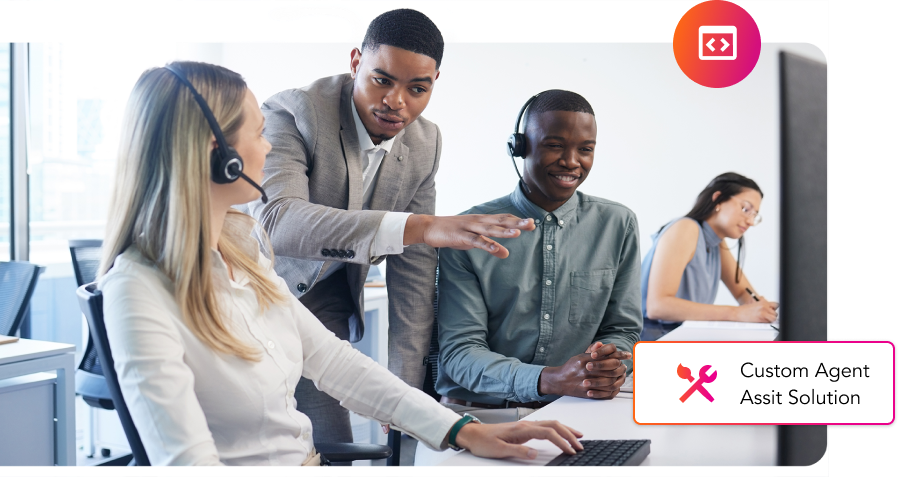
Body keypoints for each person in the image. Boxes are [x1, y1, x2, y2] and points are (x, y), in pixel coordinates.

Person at [97, 61, 581, 467]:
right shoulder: (137, 292)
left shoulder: (242, 257)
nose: (267, 148)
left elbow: (335, 363)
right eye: (259, 134)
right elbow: (188, 463)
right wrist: (417, 226)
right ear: (216, 154)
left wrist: (463, 430)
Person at [236, 7, 535, 448]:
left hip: (327, 305)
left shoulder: (424, 142)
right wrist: (417, 226)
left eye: (417, 88)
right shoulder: (295, 111)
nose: (397, 101)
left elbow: (413, 272)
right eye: (382, 80)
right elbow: (279, 221)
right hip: (254, 296)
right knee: (291, 447)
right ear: (356, 62)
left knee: (339, 444)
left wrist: (407, 390)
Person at [435, 90, 641, 423]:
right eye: (554, 145)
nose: (572, 162)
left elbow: (624, 331)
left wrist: (609, 362)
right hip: (477, 415)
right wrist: (548, 379)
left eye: (585, 149)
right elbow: (460, 354)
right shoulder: (470, 230)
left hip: (576, 411)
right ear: (519, 147)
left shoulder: (618, 224)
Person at [639, 172, 778, 341]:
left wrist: (760, 309)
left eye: (754, 215)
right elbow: (657, 306)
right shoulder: (686, 228)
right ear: (718, 199)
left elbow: (743, 292)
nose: (750, 221)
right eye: (746, 209)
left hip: (681, 334)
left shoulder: (716, 242)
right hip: (652, 337)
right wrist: (737, 313)